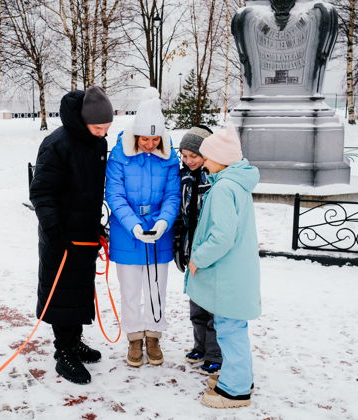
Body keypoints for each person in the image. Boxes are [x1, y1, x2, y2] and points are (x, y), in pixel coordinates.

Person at [29, 86, 113, 385]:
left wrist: (96, 225)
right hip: (61, 235)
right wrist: (54, 230)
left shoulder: (96, 143)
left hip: (85, 233)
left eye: (107, 128)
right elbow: (41, 191)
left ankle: (74, 341)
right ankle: (63, 351)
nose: (103, 133)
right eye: (98, 127)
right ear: (83, 121)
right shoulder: (57, 144)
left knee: (79, 290)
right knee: (62, 292)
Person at [184, 124, 261, 408]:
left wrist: (198, 258)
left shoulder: (223, 188)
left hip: (228, 274)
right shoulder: (235, 183)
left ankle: (236, 390)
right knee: (233, 326)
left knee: (229, 329)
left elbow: (222, 236)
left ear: (220, 159)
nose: (203, 161)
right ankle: (238, 375)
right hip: (237, 271)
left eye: (207, 157)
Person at [105, 87, 181, 367]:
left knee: (157, 288)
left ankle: (154, 335)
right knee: (131, 289)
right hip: (128, 233)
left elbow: (173, 195)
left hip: (160, 232)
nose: (149, 144)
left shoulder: (169, 157)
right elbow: (114, 194)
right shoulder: (119, 156)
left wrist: (163, 221)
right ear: (135, 135)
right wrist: (134, 225)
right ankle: (135, 337)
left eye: (154, 138)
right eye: (144, 138)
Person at [173, 125, 223, 375]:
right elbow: (181, 215)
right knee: (197, 304)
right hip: (190, 249)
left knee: (214, 307)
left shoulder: (214, 179)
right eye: (184, 155)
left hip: (211, 253)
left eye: (194, 156)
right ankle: (200, 346)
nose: (189, 160)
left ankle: (215, 353)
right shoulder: (183, 177)